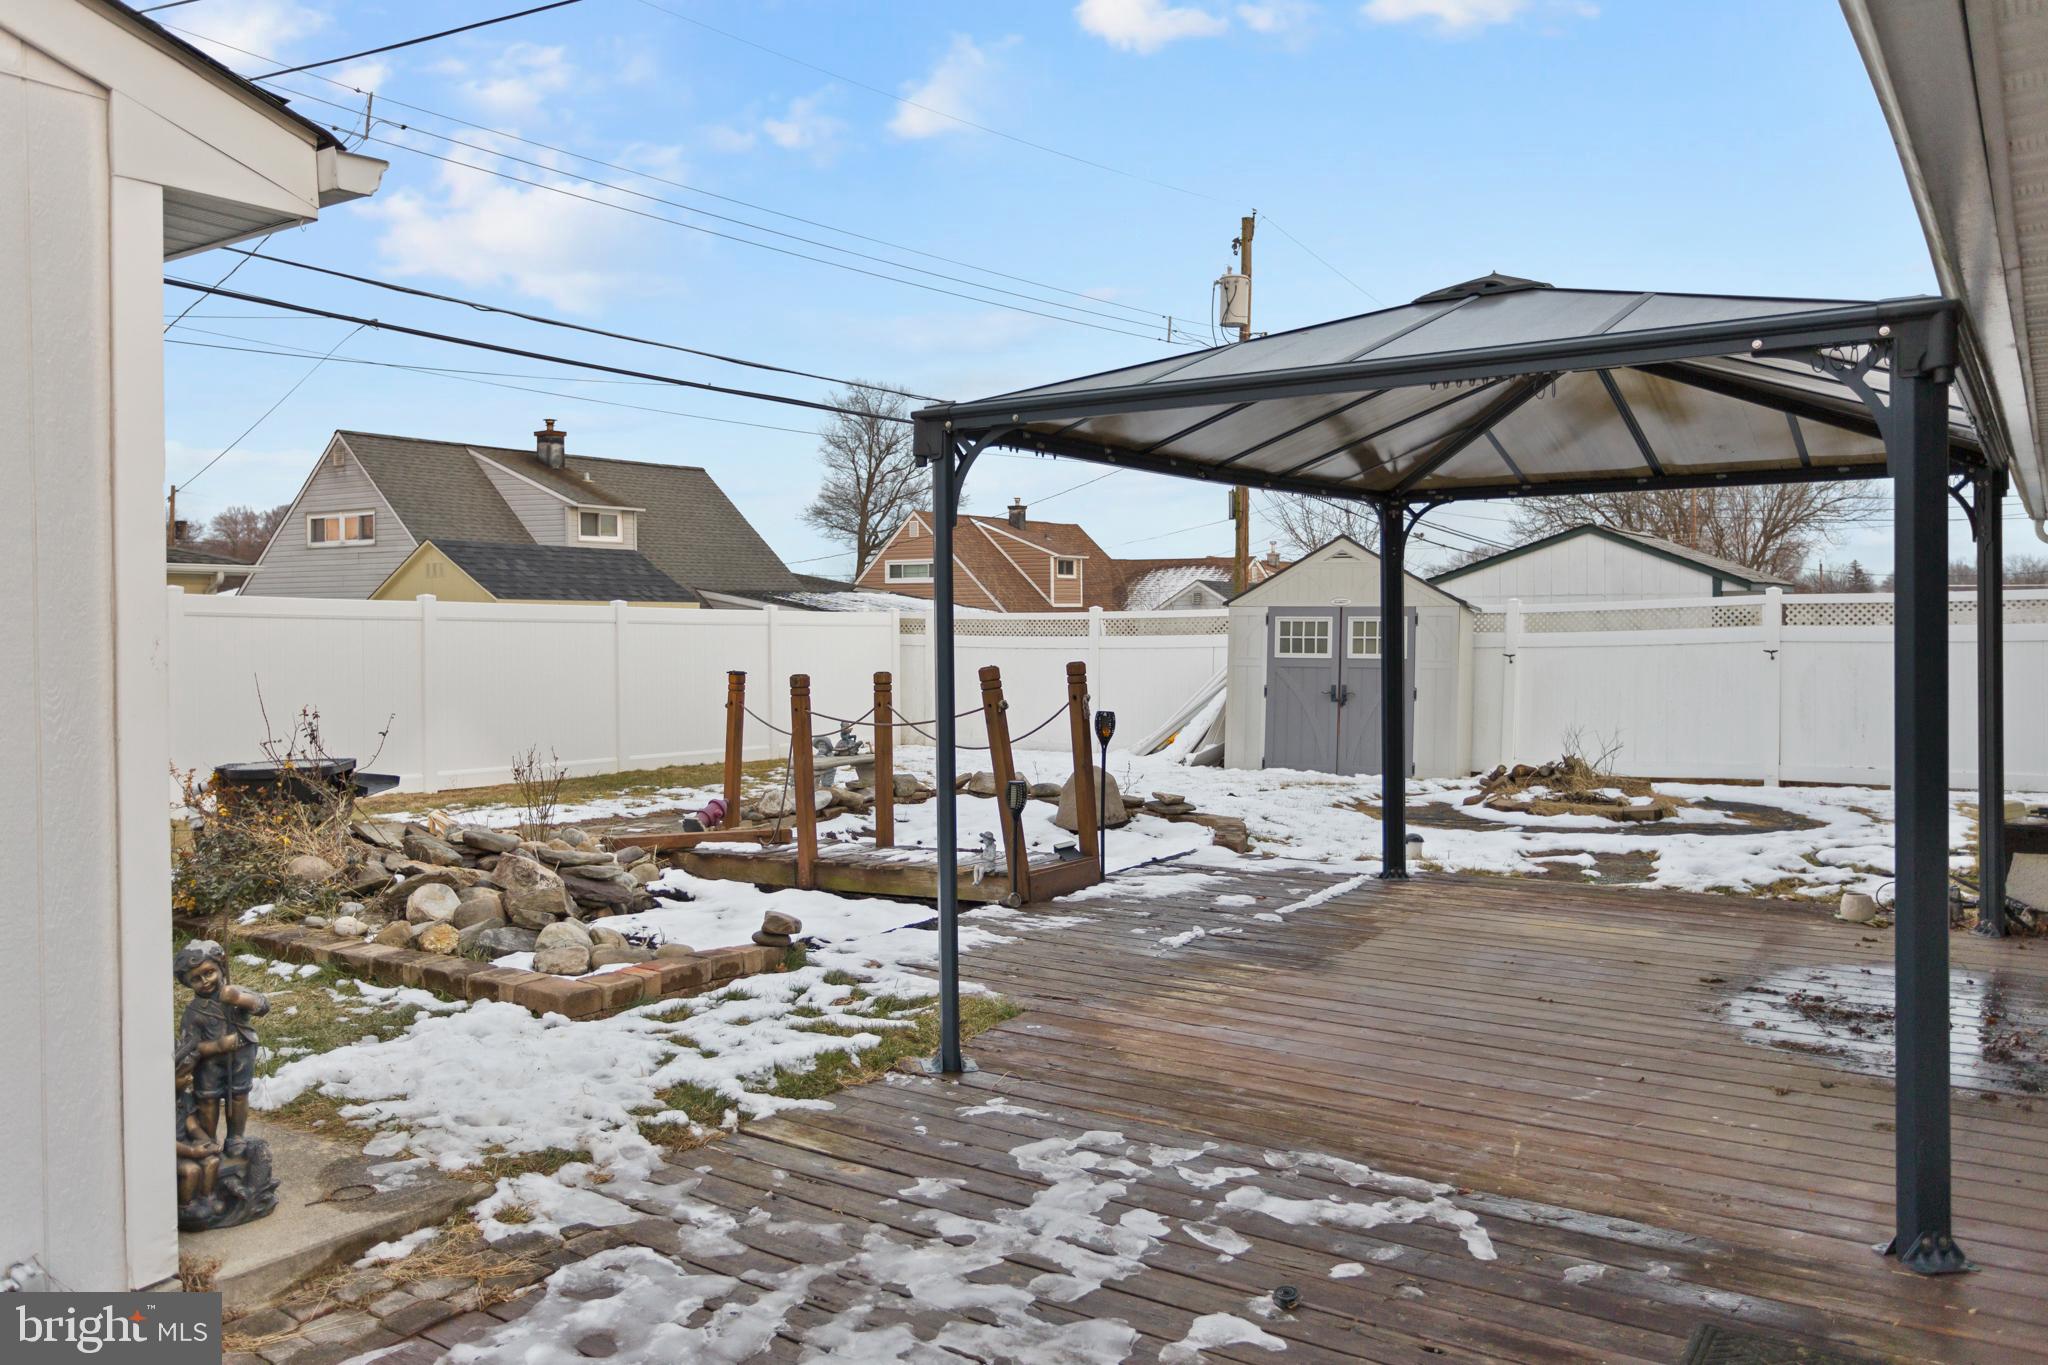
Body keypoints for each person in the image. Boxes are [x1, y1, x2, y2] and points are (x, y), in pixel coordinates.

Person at [173, 940, 269, 1154]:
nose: (205, 981)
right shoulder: (194, 1012)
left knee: (239, 1095)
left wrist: (239, 998)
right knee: (208, 1098)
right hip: (209, 1063)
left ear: (221, 967)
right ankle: (208, 1139)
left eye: (209, 973)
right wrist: (217, 1046)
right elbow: (189, 1048)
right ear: (187, 983)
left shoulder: (234, 992)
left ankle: (236, 1138)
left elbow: (263, 1006)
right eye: (196, 979)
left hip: (241, 1053)